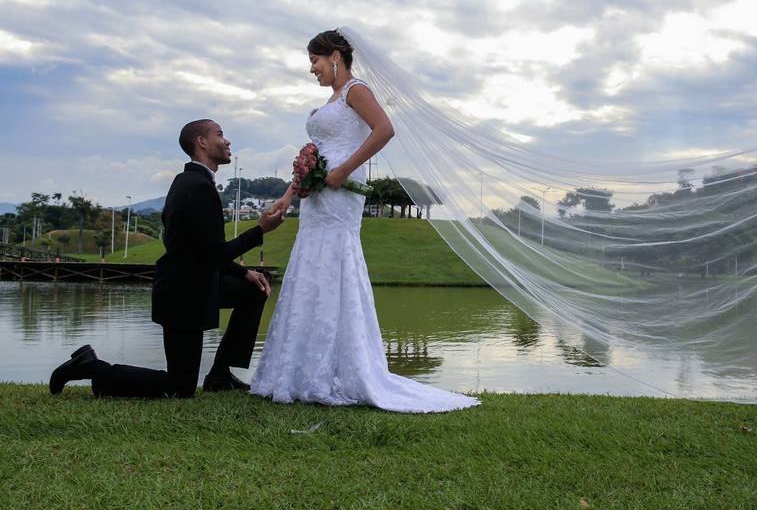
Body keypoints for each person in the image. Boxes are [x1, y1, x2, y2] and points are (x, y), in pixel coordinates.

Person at [250, 29, 479, 412]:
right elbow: (314, 158)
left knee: (334, 265)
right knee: (311, 266)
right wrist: (287, 198)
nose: (312, 69)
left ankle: (341, 371)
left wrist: (343, 170)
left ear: (335, 56)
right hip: (317, 199)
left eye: (315, 61)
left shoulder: (356, 91)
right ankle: (300, 370)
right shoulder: (329, 101)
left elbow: (385, 129)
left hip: (340, 194)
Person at [49, 120, 284, 398]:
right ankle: (93, 367)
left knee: (252, 290)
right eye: (220, 134)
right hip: (182, 295)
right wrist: (260, 230)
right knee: (180, 387)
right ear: (202, 142)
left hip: (196, 285)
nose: (227, 141)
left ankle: (220, 375)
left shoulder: (189, 182)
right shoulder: (197, 187)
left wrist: (245, 273)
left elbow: (198, 247)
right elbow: (212, 253)